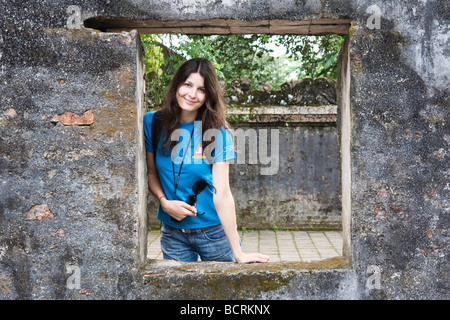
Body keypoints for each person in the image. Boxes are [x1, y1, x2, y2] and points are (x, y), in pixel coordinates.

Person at [144, 58, 269, 263]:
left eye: (201, 89)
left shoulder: (216, 132)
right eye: (187, 85)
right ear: (177, 85)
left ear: (208, 95)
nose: (192, 94)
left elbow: (223, 194)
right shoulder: (153, 122)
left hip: (214, 234)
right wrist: (164, 203)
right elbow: (151, 173)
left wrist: (237, 252)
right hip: (173, 235)